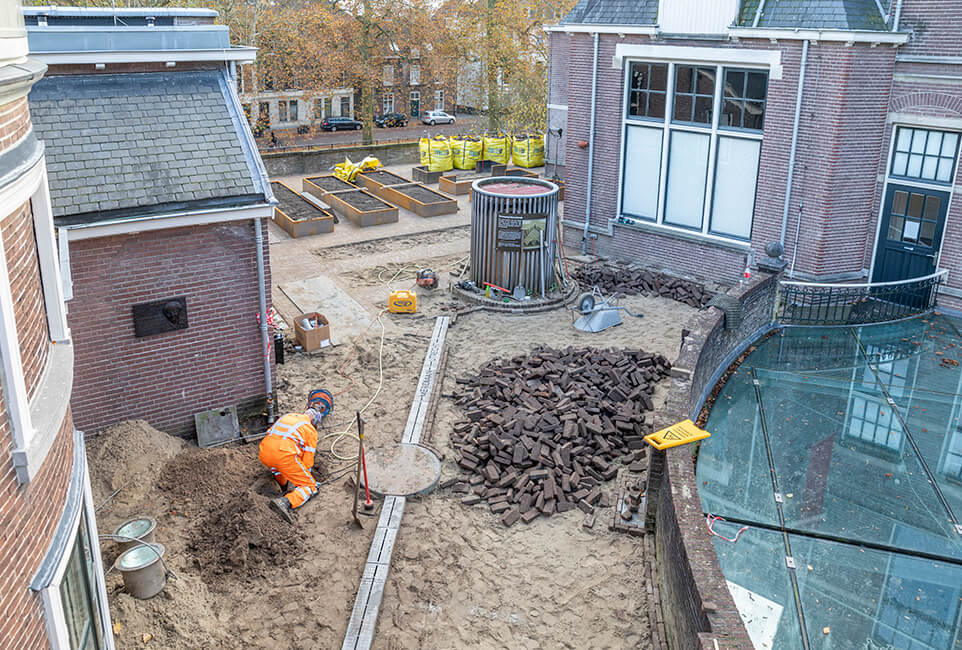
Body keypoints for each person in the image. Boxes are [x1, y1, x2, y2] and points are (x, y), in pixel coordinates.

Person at [259, 408, 323, 523]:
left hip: (264, 453)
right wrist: (306, 479)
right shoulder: (310, 430)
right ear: (314, 423)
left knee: (278, 470)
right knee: (310, 486)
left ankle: (283, 486)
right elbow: (307, 461)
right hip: (284, 455)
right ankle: (285, 502)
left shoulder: (288, 416)